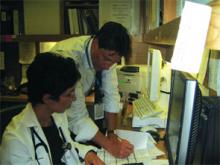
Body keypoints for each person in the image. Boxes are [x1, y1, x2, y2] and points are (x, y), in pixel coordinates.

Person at [0, 52, 104, 165]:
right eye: (69, 94)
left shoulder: (56, 115)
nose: (74, 98)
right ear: (47, 99)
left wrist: (87, 153)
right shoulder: (16, 141)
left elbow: (66, 146)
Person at [51, 21, 134, 158]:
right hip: (52, 114)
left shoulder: (108, 55)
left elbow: (111, 94)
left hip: (71, 116)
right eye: (107, 60)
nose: (108, 66)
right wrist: (110, 146)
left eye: (113, 62)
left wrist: (111, 133)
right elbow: (77, 117)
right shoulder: (70, 58)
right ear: (95, 44)